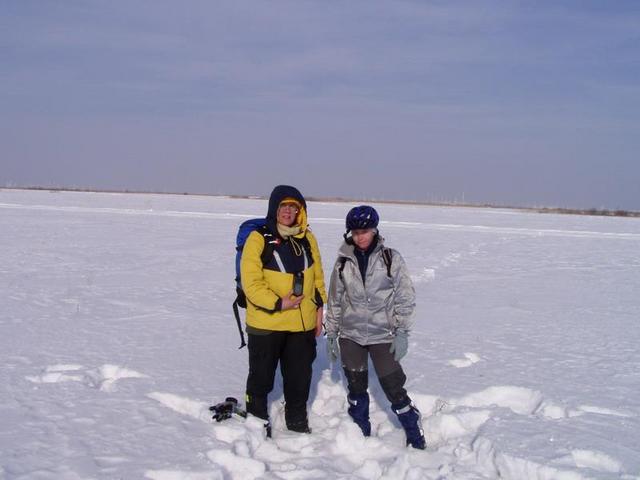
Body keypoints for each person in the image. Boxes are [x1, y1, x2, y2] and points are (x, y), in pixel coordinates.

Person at [324, 205, 426, 449]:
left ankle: (414, 431)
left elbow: (405, 296)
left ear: (374, 231)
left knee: (393, 386)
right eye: (356, 232)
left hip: (383, 334)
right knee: (356, 386)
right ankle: (360, 433)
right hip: (351, 336)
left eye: (365, 231)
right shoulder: (342, 263)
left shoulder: (391, 258)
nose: (361, 236)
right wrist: (332, 333)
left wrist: (402, 332)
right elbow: (335, 300)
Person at [241, 185, 327, 435]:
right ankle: (256, 422)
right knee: (261, 377)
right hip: (267, 323)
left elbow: (318, 277)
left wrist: (319, 309)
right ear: (274, 209)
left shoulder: (307, 237)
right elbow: (251, 283)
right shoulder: (258, 238)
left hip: (301, 323)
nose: (289, 211)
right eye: (284, 206)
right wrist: (279, 303)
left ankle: (297, 422)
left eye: (294, 207)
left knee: (299, 377)